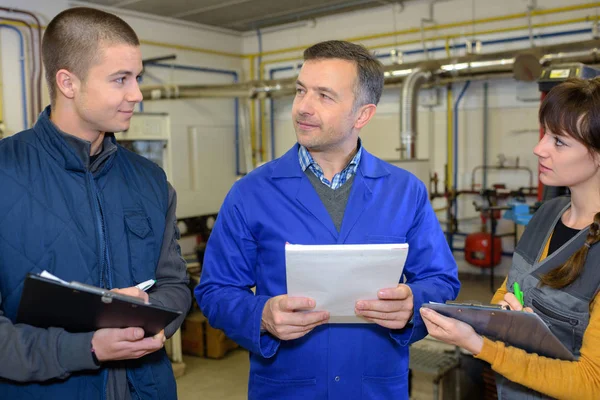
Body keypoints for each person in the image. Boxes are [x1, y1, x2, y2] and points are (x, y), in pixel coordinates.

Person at [196, 40, 460, 399]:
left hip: (375, 388)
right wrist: (261, 315)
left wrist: (414, 302)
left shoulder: (404, 192)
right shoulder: (251, 193)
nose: (303, 107)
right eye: (301, 91)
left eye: (324, 96)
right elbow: (215, 291)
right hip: (288, 388)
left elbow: (441, 280)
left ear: (362, 114)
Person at [0, 7, 191, 400]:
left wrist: (148, 316)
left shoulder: (149, 180)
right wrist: (86, 347)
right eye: (120, 79)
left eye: (137, 77)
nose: (137, 93)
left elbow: (174, 284)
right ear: (68, 82)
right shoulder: (6, 173)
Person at [420, 77, 600, 400]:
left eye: (559, 141)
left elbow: (591, 383)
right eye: (545, 133)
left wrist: (479, 343)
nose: (539, 148)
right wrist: (504, 320)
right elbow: (508, 289)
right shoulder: (548, 213)